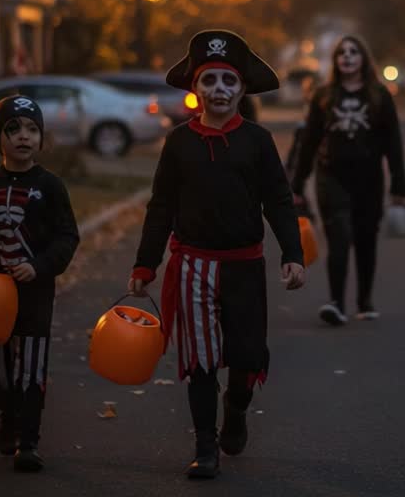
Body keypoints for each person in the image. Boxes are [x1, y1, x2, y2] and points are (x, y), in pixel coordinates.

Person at [128, 29, 306, 479]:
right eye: (209, 81)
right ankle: (204, 446)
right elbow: (161, 206)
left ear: (242, 89)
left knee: (247, 356)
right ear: (195, 90)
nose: (219, 90)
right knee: (201, 359)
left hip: (244, 265)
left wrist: (293, 252)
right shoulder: (179, 143)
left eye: (228, 81)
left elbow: (279, 201)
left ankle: (238, 406)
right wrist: (146, 262)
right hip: (193, 266)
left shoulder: (258, 141)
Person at [0, 95, 81, 473]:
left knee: (30, 366)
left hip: (33, 291)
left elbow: (67, 237)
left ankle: (28, 441)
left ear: (41, 139)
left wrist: (40, 266)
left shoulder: (51, 186)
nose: (23, 137)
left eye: (32, 130)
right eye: (14, 130)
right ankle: (7, 415)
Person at [290, 35, 405, 325]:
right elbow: (309, 142)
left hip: (368, 179)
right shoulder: (324, 95)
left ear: (363, 58)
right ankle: (336, 303)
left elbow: (393, 143)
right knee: (339, 239)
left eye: (353, 52)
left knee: (366, 240)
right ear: (335, 61)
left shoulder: (379, 95)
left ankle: (364, 301)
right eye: (341, 53)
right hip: (331, 177)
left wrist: (399, 187)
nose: (347, 56)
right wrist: (297, 185)